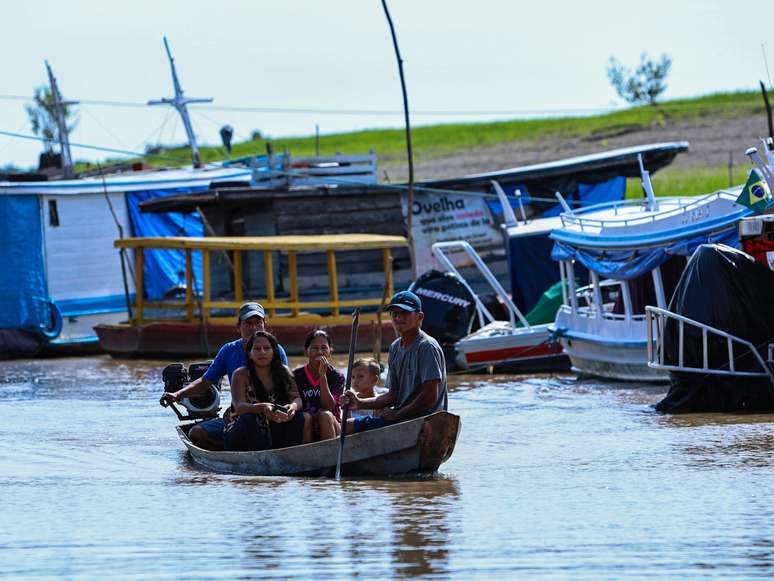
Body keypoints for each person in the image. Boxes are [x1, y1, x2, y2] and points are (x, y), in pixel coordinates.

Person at [159, 302, 288, 450]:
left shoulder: (277, 350)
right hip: (240, 414)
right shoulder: (229, 351)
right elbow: (206, 381)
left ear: (265, 325)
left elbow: (287, 387)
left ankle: (244, 446)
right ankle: (235, 449)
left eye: (258, 323)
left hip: (270, 413)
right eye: (248, 323)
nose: (253, 328)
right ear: (238, 327)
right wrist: (177, 394)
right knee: (196, 434)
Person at [340, 290, 448, 432]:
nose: (398, 318)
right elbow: (393, 395)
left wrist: (397, 414)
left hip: (424, 420)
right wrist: (360, 403)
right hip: (403, 418)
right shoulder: (395, 348)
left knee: (349, 426)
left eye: (404, 313)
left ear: (419, 317)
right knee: (342, 425)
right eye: (394, 314)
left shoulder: (426, 346)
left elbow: (430, 396)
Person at [224, 331, 305, 451]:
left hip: (274, 426)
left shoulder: (284, 371)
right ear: (249, 354)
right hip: (242, 430)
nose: (262, 352)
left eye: (267, 348)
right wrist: (262, 407)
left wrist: (292, 407)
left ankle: (289, 457)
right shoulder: (240, 374)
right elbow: (239, 407)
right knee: (249, 419)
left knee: (298, 417)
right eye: (257, 349)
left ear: (274, 352)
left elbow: (297, 399)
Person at [293, 330, 345, 441]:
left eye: (324, 348)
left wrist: (322, 376)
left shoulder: (337, 376)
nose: (320, 352)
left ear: (330, 351)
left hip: (331, 425)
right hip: (308, 426)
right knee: (305, 417)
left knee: (325, 415)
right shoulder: (296, 376)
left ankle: (331, 455)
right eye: (315, 348)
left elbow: (328, 407)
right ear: (306, 352)